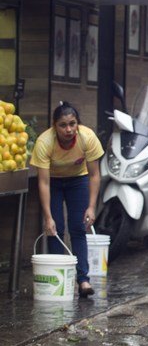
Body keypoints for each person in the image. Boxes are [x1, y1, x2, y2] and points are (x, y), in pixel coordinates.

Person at [30, 102, 104, 298]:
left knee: (78, 227)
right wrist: (48, 217)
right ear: (54, 126)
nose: (69, 129)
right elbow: (43, 182)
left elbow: (94, 175)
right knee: (55, 229)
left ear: (78, 123)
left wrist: (91, 207)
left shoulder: (87, 138)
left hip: (78, 180)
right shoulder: (44, 142)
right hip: (52, 182)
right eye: (63, 125)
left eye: (72, 124)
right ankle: (58, 279)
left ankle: (83, 280)